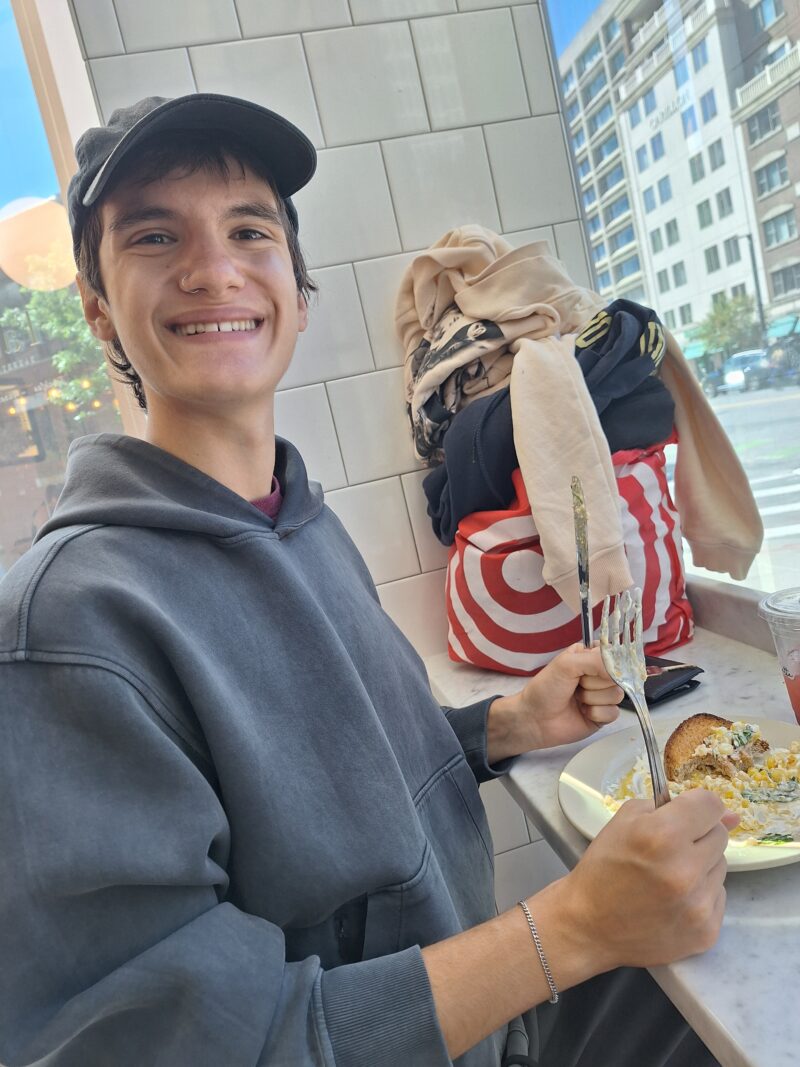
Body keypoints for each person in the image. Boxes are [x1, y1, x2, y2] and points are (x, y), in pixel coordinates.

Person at [0, 94, 735, 1067]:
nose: (212, 265)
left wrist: (502, 725)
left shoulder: (293, 518)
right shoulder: (65, 627)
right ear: (98, 313)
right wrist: (572, 929)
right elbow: (163, 1042)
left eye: (249, 228)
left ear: (299, 294)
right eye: (151, 234)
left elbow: (322, 780)